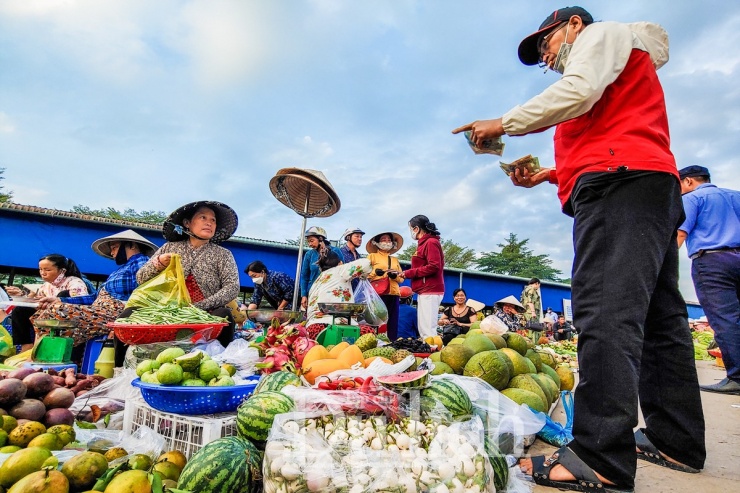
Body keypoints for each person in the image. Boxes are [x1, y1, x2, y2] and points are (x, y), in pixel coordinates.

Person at [452, 6, 706, 490]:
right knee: (659, 319)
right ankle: (676, 438)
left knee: (605, 312)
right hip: (643, 182)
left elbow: (577, 92)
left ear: (573, 25)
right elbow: (598, 121)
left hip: (621, 184)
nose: (546, 57)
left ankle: (598, 456)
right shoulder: (617, 62)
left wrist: (502, 123)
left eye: (545, 44)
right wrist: (550, 175)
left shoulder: (603, 36)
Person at [30, 230, 157, 358]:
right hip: (98, 309)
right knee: (47, 310)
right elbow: (95, 297)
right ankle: (45, 358)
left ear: (132, 245)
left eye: (114, 248)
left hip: (117, 312)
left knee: (58, 311)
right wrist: (61, 300)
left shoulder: (141, 263)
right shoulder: (119, 270)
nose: (112, 253)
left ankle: (43, 358)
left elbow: (146, 290)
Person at [135, 201, 240, 349]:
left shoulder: (223, 254)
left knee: (224, 314)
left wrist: (199, 306)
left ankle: (221, 362)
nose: (209, 223)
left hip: (206, 313)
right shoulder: (169, 247)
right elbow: (140, 278)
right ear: (187, 223)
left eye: (213, 220)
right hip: (167, 311)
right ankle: (119, 368)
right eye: (203, 217)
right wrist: (158, 264)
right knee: (129, 313)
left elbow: (232, 287)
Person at [677, 165, 740, 395]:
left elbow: (680, 233)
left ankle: (737, 377)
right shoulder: (735, 196)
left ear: (689, 182)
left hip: (713, 262)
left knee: (726, 319)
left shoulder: (693, 199)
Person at [7, 254, 89, 352]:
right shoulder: (46, 286)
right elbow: (37, 301)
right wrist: (21, 295)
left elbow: (80, 305)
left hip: (68, 319)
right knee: (19, 310)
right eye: (40, 269)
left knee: (63, 295)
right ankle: (26, 347)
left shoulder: (75, 282)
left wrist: (56, 301)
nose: (43, 273)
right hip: (45, 315)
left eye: (47, 270)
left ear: (62, 271)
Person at [304, 251, 373, 339]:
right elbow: (367, 263)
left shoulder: (317, 281)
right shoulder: (340, 270)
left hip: (313, 329)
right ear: (340, 263)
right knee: (369, 333)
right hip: (335, 325)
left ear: (320, 268)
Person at [402, 215, 445, 339]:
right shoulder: (424, 243)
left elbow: (434, 266)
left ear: (416, 228)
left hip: (430, 289)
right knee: (424, 327)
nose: (411, 232)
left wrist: (408, 273)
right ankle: (429, 352)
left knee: (428, 329)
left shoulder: (431, 242)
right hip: (424, 289)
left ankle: (433, 354)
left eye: (411, 228)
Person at [366, 232, 405, 340]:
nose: (387, 242)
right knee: (376, 320)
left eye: (389, 240)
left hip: (393, 293)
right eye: (384, 239)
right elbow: (364, 274)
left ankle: (391, 342)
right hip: (378, 293)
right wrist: (377, 273)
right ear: (377, 243)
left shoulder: (395, 260)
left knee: (393, 321)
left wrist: (394, 276)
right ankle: (373, 341)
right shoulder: (372, 256)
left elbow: (401, 278)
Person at [299, 226, 343, 309]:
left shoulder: (335, 251)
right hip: (314, 291)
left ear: (320, 239)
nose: (310, 244)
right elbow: (304, 277)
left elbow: (343, 270)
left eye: (312, 241)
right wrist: (304, 295)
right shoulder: (309, 255)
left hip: (332, 291)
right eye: (308, 242)